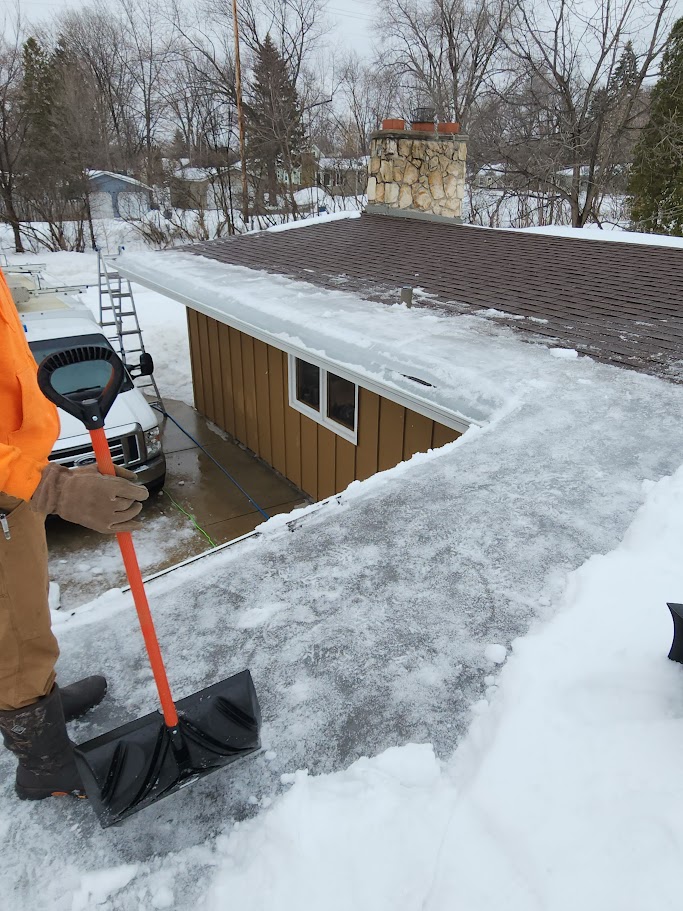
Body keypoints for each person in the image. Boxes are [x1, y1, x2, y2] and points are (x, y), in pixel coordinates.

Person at [0, 267, 149, 800]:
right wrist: (54, 489)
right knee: (13, 635)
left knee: (29, 610)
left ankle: (40, 702)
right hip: (6, 485)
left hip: (13, 479)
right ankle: (42, 763)